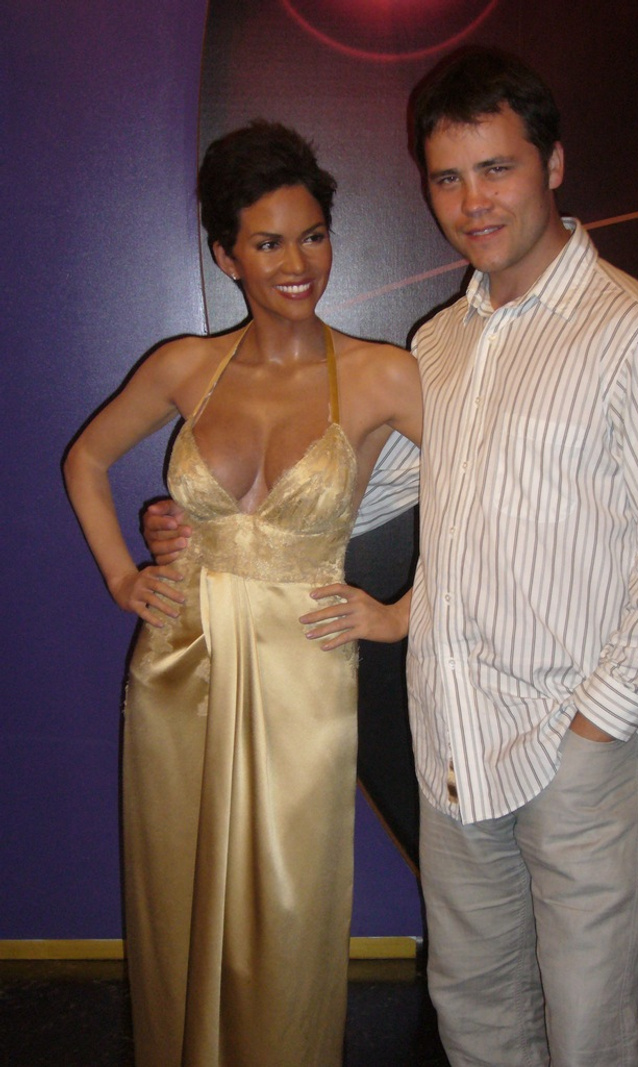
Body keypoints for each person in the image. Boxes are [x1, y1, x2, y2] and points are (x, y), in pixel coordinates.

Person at [145, 50, 638, 1067]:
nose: (472, 201)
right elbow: (378, 493)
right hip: (454, 737)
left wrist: (596, 729)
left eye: (497, 168)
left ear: (553, 165)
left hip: (573, 747)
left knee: (589, 1032)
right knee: (476, 1013)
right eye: (448, 177)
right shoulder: (443, 342)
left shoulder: (632, 336)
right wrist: (221, 522)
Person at [63, 120, 421, 1067]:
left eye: (313, 236)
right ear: (227, 256)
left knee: (289, 910)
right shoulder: (186, 363)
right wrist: (123, 573)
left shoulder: (383, 373)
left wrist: (402, 611)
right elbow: (85, 459)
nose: (297, 264)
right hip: (179, 665)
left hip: (305, 667)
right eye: (267, 243)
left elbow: (490, 493)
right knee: (176, 897)